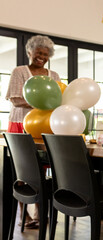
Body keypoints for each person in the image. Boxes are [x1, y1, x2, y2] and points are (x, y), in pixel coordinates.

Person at [6, 35, 60, 229]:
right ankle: (24, 216)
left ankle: (39, 214)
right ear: (30, 52)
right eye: (38, 52)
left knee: (42, 171)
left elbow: (58, 99)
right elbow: (14, 98)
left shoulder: (53, 75)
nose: (42, 57)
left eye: (45, 54)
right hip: (20, 124)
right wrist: (40, 102)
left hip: (44, 128)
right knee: (23, 172)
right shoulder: (19, 71)